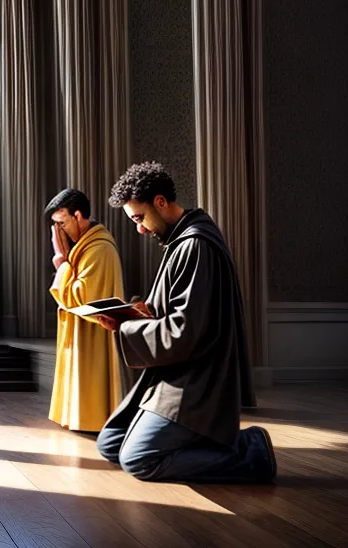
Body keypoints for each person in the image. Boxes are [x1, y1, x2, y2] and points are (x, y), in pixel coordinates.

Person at [95, 161, 276, 483]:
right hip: (175, 371)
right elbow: (178, 309)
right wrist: (139, 312)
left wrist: (126, 327)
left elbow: (184, 331)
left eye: (139, 218)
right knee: (111, 444)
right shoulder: (181, 241)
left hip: (195, 380)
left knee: (138, 460)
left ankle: (251, 451)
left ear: (161, 202)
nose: (139, 228)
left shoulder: (195, 245)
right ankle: (193, 439)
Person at [45, 187, 125, 432]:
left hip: (94, 334)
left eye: (61, 223)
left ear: (78, 216)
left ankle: (92, 419)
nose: (59, 232)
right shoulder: (85, 245)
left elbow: (82, 297)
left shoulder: (99, 248)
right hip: (79, 331)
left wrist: (61, 262)